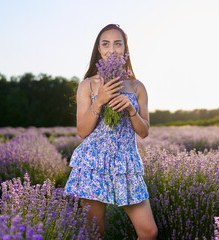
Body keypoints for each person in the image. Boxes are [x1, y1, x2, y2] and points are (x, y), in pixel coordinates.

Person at [63, 24, 158, 240]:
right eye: (105, 44)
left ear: (125, 49)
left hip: (126, 163)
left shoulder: (137, 87)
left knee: (149, 232)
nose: (112, 50)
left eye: (118, 44)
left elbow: (144, 132)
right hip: (93, 162)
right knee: (96, 232)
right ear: (98, 49)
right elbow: (82, 131)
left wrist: (132, 109)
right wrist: (101, 100)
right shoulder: (87, 85)